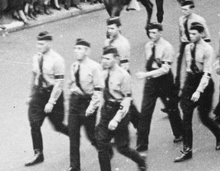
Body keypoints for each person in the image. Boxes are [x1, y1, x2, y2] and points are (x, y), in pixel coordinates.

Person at [175, 22, 220, 162]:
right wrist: (185, 88)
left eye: (194, 34)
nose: (191, 36)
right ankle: (187, 150)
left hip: (204, 85)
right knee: (186, 117)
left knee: (204, 117)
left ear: (201, 34)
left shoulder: (207, 49)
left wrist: (198, 91)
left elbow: (207, 74)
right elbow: (188, 68)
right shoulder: (187, 48)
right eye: (190, 34)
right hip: (190, 83)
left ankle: (219, 135)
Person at [95, 46, 148, 171]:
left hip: (119, 112)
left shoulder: (123, 76)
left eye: (108, 59)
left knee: (122, 147)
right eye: (103, 59)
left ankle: (140, 161)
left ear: (116, 59)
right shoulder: (103, 72)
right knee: (101, 144)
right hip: (106, 110)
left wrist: (116, 119)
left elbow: (126, 100)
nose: (104, 61)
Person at [134, 22, 184, 152]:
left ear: (160, 33)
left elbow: (165, 69)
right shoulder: (148, 46)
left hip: (164, 81)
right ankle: (142, 143)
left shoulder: (167, 47)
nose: (151, 35)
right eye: (150, 33)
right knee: (145, 112)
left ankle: (179, 133)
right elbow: (149, 62)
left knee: (171, 107)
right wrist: (149, 75)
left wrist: (145, 74)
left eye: (154, 33)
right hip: (151, 82)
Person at [25, 31, 68, 167]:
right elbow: (35, 76)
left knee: (58, 125)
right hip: (39, 94)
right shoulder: (36, 57)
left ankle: (74, 136)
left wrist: (51, 102)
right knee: (34, 123)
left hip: (52, 94)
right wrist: (31, 94)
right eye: (38, 44)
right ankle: (38, 153)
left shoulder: (57, 60)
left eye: (42, 44)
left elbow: (59, 84)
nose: (39, 46)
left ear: (49, 43)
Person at [68, 38, 102, 171]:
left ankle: (106, 150)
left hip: (88, 103)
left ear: (87, 51)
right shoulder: (74, 66)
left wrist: (91, 107)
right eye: (75, 48)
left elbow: (98, 90)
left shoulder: (94, 67)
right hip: (75, 103)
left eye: (80, 49)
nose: (76, 51)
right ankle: (74, 166)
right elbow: (73, 84)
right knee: (73, 134)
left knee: (91, 134)